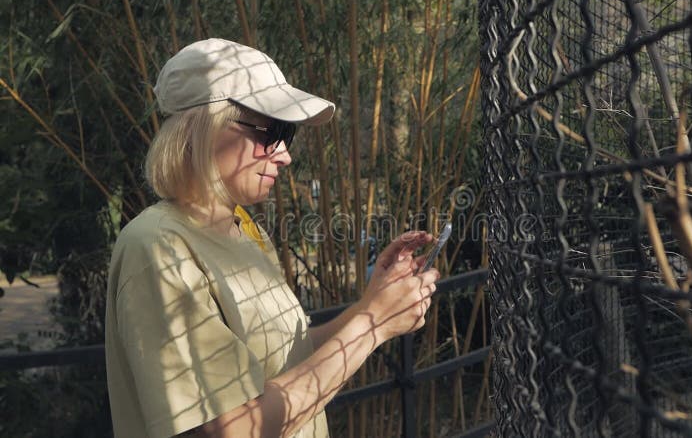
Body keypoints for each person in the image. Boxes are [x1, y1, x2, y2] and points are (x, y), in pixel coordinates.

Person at [104, 38, 440, 438]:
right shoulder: (158, 247)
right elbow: (229, 430)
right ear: (202, 127)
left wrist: (373, 303)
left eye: (288, 135)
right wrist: (372, 325)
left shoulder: (244, 229)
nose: (284, 155)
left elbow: (286, 356)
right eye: (270, 131)